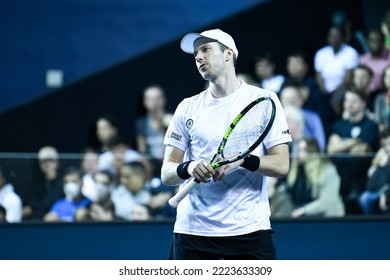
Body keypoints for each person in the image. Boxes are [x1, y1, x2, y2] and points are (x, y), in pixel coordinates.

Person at [161, 29, 292, 260]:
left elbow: (282, 165)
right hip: (192, 231)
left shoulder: (265, 99)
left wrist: (244, 160)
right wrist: (189, 167)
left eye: (205, 50)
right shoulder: (187, 107)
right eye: (195, 54)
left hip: (248, 230)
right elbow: (167, 173)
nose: (198, 57)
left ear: (228, 54)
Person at [327, 85, 380, 214]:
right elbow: (332, 149)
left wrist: (342, 145)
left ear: (363, 103)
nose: (349, 104)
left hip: (362, 180)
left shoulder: (371, 126)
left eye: (354, 100)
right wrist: (354, 142)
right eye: (347, 100)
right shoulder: (339, 125)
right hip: (339, 181)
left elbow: (363, 150)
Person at [284, 138, 345, 218]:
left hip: (328, 218)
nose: (299, 154)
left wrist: (303, 210)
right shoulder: (297, 172)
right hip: (304, 218)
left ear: (313, 152)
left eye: (304, 150)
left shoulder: (328, 171)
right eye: (298, 150)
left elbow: (328, 202)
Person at [279, 82, 326, 151]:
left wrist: (301, 135)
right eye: (286, 99)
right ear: (280, 102)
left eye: (294, 99)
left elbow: (321, 144)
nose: (291, 102)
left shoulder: (313, 117)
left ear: (301, 100)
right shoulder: (275, 119)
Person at [22, 146, 64, 221]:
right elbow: (30, 202)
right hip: (36, 221)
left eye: (50, 160)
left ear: (57, 162)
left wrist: (33, 208)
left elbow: (53, 202)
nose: (47, 164)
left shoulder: (63, 182)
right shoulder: (36, 183)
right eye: (43, 161)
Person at [135, 84, 172, 161]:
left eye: (157, 98)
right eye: (150, 99)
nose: (154, 102)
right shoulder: (141, 123)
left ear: (164, 100)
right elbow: (142, 150)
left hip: (170, 158)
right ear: (144, 102)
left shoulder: (173, 119)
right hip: (151, 161)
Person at [358, 129, 390, 215]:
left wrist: (386, 193)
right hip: (378, 195)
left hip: (386, 195)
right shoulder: (382, 163)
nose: (387, 149)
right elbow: (370, 187)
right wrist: (378, 165)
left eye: (389, 144)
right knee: (365, 198)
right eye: (384, 145)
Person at [359, 29, 390, 96]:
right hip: (366, 94)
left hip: (384, 93)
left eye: (378, 41)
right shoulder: (363, 60)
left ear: (383, 43)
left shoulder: (388, 57)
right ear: (367, 42)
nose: (375, 43)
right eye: (372, 40)